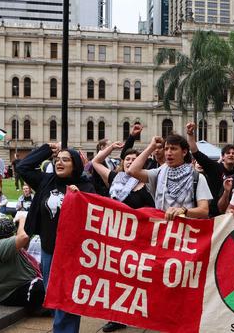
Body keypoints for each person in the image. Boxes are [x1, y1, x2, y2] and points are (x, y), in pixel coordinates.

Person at [19, 143, 96, 333]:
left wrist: (81, 200)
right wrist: (47, 149)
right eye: (57, 159)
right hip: (49, 250)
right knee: (54, 297)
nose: (59, 162)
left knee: (67, 298)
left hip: (73, 253)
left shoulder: (86, 186)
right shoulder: (46, 180)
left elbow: (96, 216)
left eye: (66, 159)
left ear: (75, 164)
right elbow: (23, 167)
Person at [91, 142, 154, 332]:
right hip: (116, 238)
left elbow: (153, 212)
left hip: (139, 239)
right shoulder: (114, 178)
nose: (130, 162)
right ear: (122, 162)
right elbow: (95, 161)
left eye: (135, 160)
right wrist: (111, 146)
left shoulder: (147, 184)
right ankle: (116, 318)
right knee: (116, 279)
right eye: (127, 159)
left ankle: (144, 313)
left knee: (139, 280)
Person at [127, 135, 212, 220]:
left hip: (186, 230)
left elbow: (204, 211)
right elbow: (132, 171)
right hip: (163, 229)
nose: (168, 153)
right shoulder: (159, 173)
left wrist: (183, 211)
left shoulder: (196, 177)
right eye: (166, 149)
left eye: (173, 148)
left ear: (184, 152)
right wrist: (151, 147)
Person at [0, 217, 46, 316]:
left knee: (50, 273)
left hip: (20, 284)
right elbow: (23, 238)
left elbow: (25, 241)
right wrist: (22, 220)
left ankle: (46, 306)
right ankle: (42, 308)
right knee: (42, 289)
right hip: (8, 293)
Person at [184, 122, 234, 216]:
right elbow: (196, 153)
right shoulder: (214, 167)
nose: (231, 155)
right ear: (222, 157)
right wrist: (190, 135)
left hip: (232, 214)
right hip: (213, 214)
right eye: (228, 153)